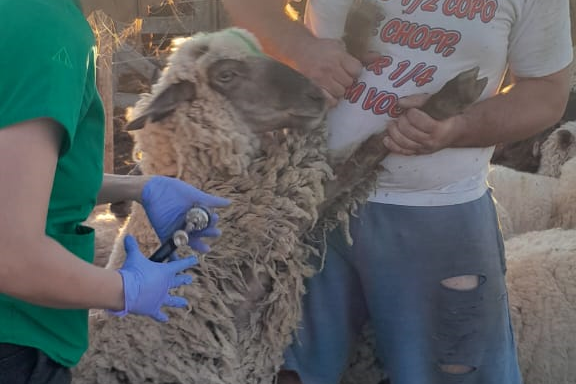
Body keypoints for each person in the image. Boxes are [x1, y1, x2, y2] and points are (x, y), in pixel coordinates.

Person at [221, 0, 572, 383]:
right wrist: (300, 47)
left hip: (441, 219)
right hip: (306, 209)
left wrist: (458, 128)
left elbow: (548, 92)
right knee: (279, 370)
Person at [0, 0, 230, 383]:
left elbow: (19, 181)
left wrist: (141, 187)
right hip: (14, 342)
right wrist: (126, 289)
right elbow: (12, 256)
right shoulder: (50, 30)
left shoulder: (26, 13)